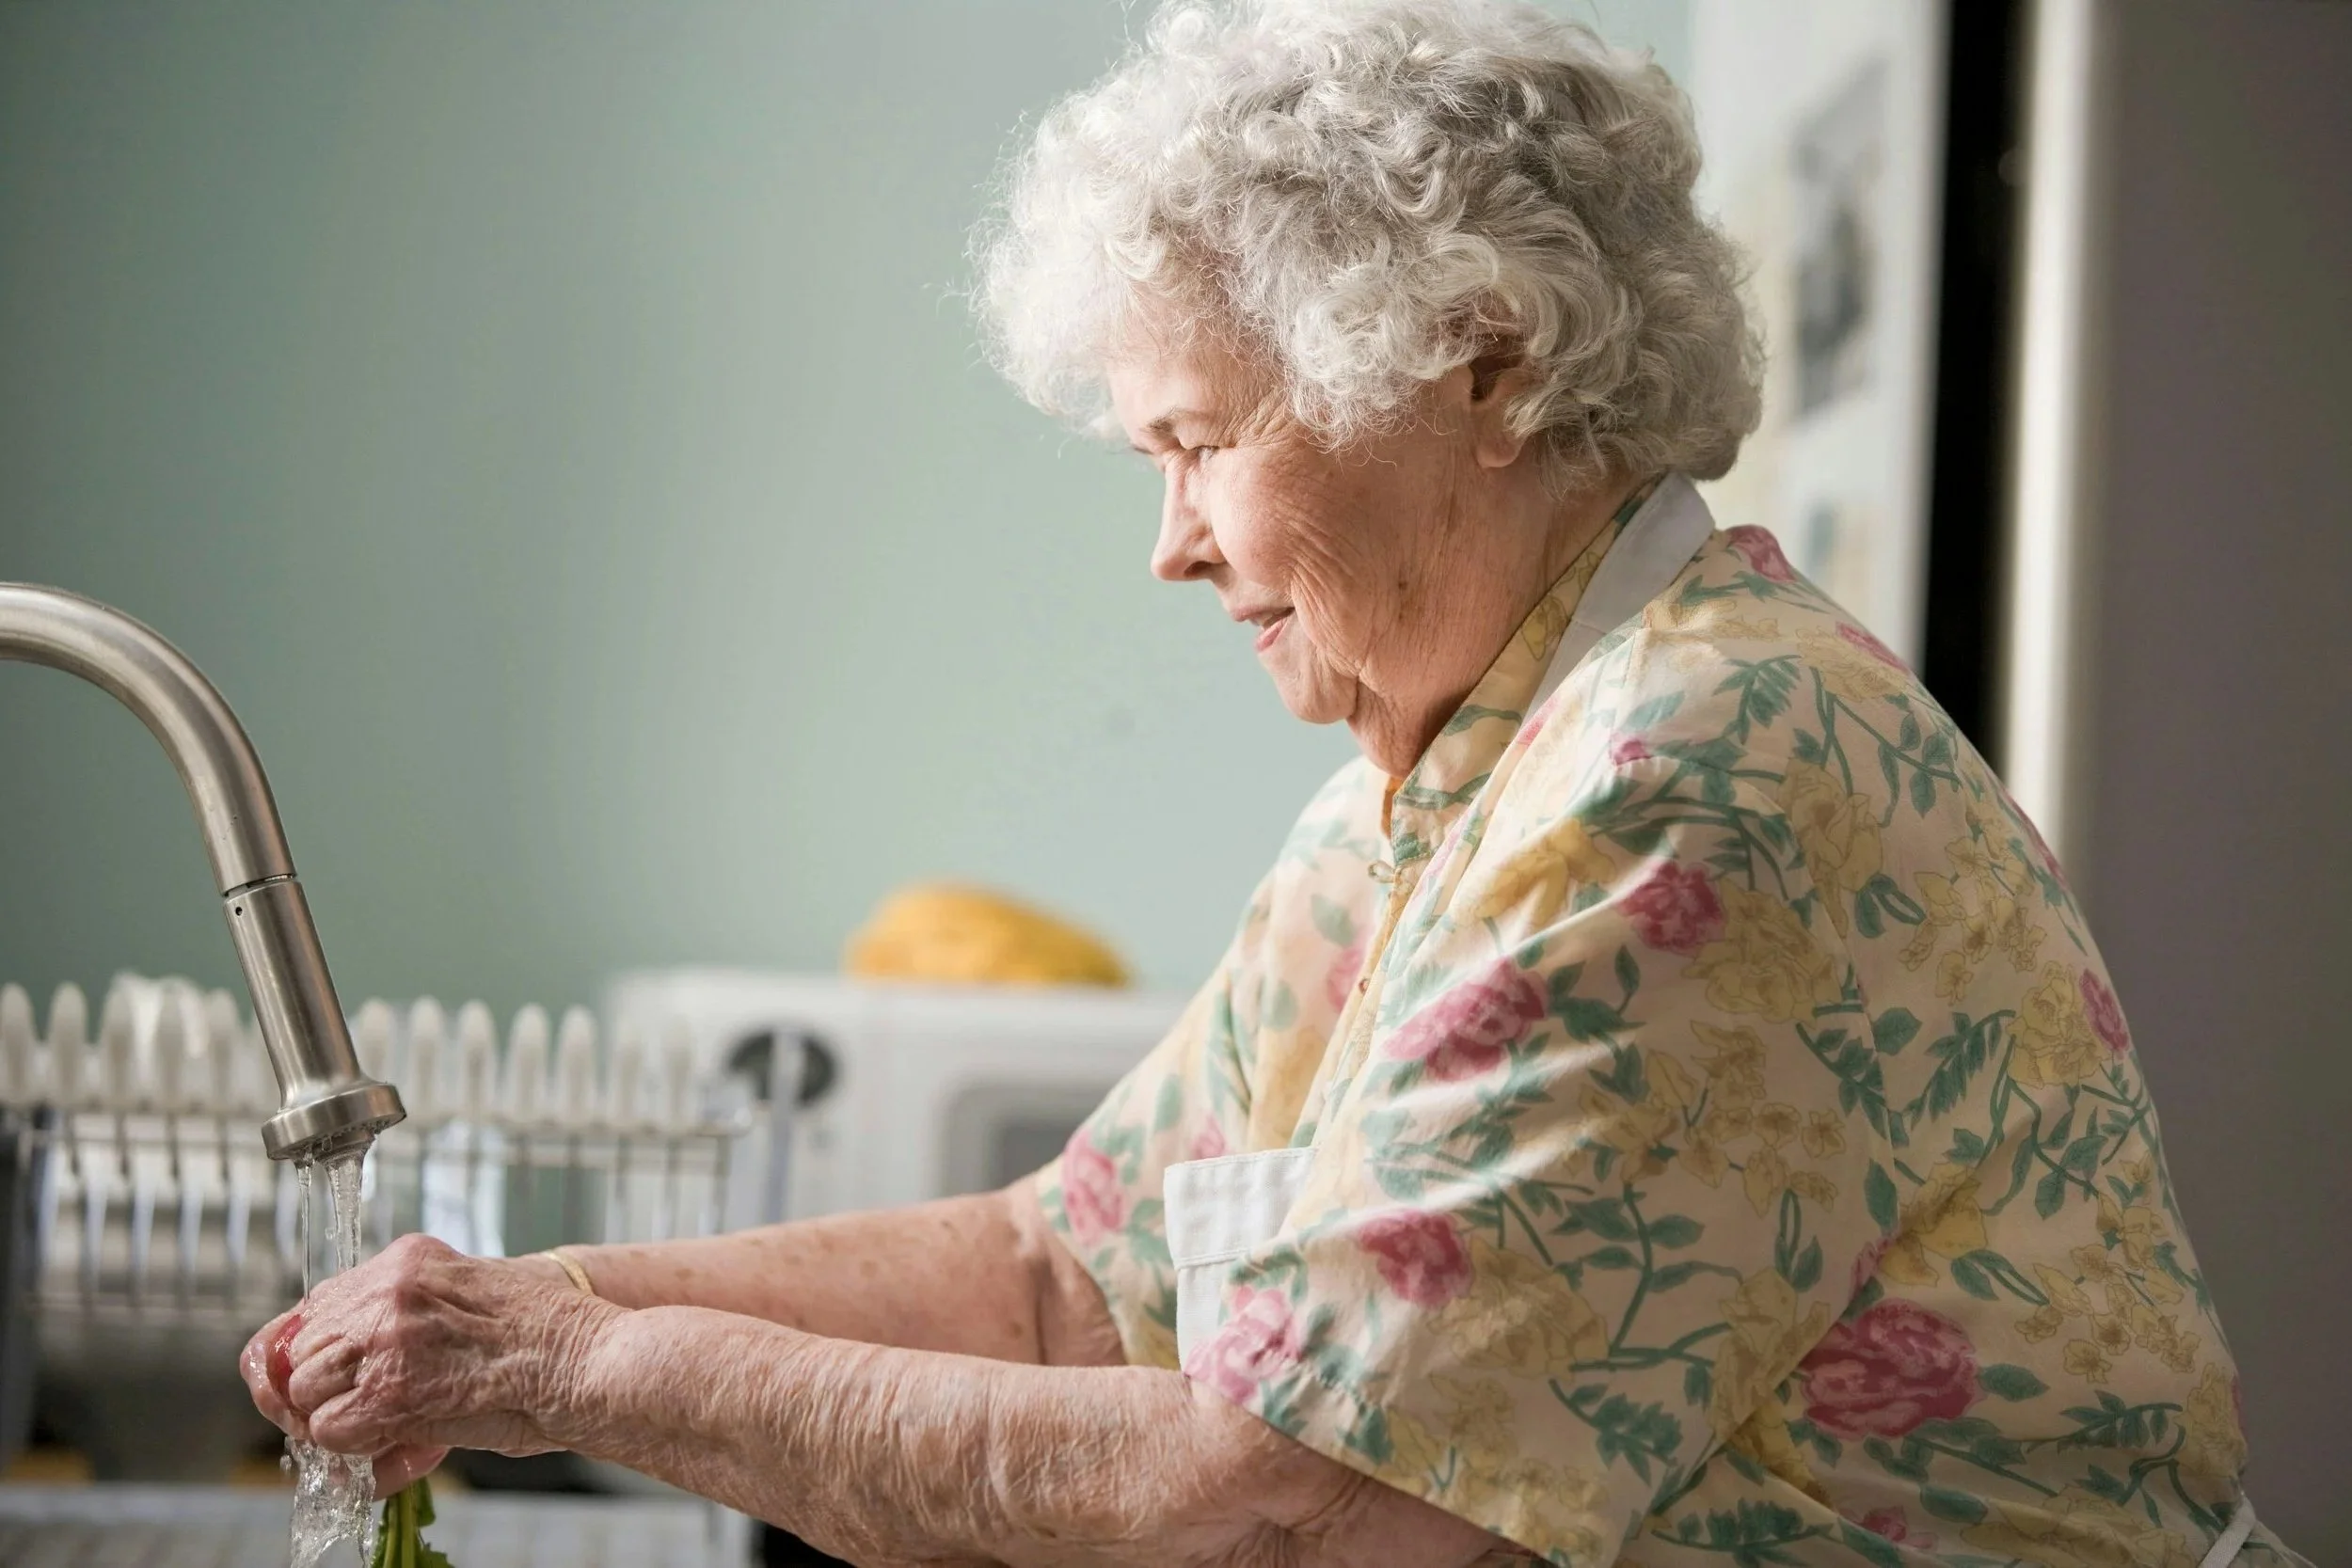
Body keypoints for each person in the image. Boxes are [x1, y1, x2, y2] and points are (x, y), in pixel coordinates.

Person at [245, 3, 2305, 1563]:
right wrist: (513, 1304)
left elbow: (1290, 1500)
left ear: (1481, 365)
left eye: (1198, 440)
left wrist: (570, 1367)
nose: (1169, 543)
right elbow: (1067, 1272)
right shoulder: (1432, 787)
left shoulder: (1690, 778)